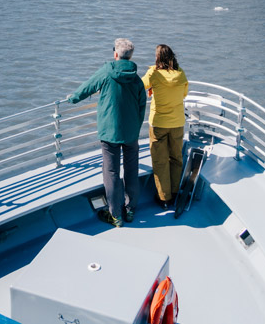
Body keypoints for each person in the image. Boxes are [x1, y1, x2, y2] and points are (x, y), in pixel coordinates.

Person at [68, 38, 146, 227]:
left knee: (111, 172)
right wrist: (135, 127)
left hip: (109, 132)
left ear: (115, 54)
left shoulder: (106, 72)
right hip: (131, 132)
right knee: (132, 170)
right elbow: (141, 106)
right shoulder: (136, 79)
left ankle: (115, 216)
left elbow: (87, 87)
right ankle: (130, 210)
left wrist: (72, 99)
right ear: (131, 56)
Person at [142, 45, 189, 208]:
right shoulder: (180, 73)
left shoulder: (153, 73)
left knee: (160, 161)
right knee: (176, 157)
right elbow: (184, 93)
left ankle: (164, 197)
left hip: (159, 123)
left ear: (157, 58)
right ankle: (175, 192)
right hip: (177, 122)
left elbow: (140, 87)